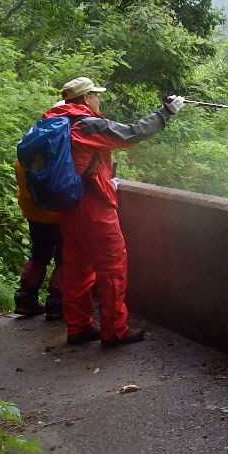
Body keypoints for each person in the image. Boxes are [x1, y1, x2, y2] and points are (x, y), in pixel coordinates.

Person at [45, 77, 184, 348]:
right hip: (94, 203)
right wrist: (165, 113)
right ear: (86, 99)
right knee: (112, 267)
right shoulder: (87, 124)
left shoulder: (55, 120)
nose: (99, 100)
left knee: (76, 268)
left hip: (68, 204)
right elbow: (131, 134)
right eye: (96, 96)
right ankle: (115, 330)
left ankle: (78, 326)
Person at [13, 154, 64, 319]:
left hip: (34, 211)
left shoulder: (29, 148)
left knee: (38, 255)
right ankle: (57, 303)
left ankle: (25, 299)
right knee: (64, 258)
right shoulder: (62, 150)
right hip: (60, 214)